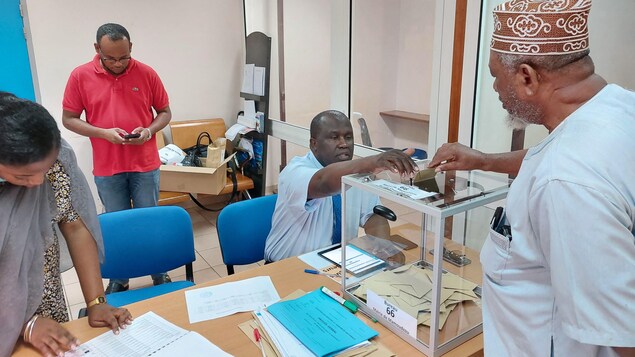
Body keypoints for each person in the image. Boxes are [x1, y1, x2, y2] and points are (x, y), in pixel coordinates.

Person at [429, 1, 635, 356]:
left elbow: (623, 337)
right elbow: (553, 155)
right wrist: (484, 161)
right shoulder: (616, 107)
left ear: (527, 76)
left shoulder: (567, 182)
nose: (495, 88)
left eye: (496, 75)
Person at [62, 23, 172, 293]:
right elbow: (69, 120)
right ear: (97, 49)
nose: (118, 63)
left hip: (145, 163)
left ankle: (160, 273)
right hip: (108, 166)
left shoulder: (146, 73)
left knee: (149, 221)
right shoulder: (80, 76)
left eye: (124, 57)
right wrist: (102, 133)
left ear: (131, 48)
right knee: (116, 224)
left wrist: (149, 130)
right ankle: (120, 278)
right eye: (110, 58)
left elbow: (165, 112)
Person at [264, 110, 418, 262]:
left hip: (339, 266)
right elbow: (323, 182)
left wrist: (384, 248)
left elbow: (373, 215)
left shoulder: (357, 172)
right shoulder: (295, 172)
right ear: (314, 144)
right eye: (334, 137)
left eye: (348, 137)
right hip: (287, 267)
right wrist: (372, 162)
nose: (344, 144)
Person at [0, 93, 78, 356]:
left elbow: (74, 221)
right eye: (23, 176)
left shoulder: (52, 156)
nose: (37, 183)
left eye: (43, 171)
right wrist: (24, 324)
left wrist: (96, 301)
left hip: (42, 296)